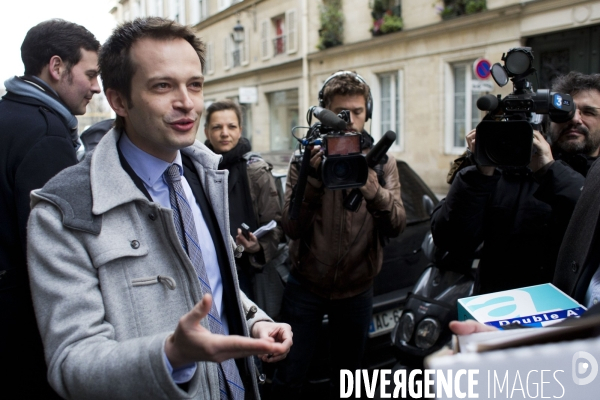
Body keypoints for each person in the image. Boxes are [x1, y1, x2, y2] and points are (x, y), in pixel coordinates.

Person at [26, 17, 292, 399]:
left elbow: (209, 282)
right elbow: (71, 364)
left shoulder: (206, 175)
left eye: (195, 85)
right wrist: (171, 356)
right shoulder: (64, 211)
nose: (186, 102)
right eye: (163, 86)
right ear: (119, 100)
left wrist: (255, 321)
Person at [272, 71, 406, 398]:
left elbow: (397, 224)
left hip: (357, 290)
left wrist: (373, 189)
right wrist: (314, 181)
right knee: (290, 375)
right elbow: (290, 227)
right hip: (306, 287)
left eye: (357, 113)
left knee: (349, 381)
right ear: (325, 114)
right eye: (340, 113)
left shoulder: (382, 162)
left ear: (368, 113)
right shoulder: (305, 158)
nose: (349, 121)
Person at [0, 19, 100, 398]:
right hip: (22, 330)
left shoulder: (10, 116)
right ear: (57, 67)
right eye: (90, 74)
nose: (95, 86)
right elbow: (56, 252)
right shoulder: (46, 134)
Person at [431, 72, 600, 295]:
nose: (575, 119)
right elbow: (450, 241)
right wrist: (481, 172)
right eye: (564, 111)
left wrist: (550, 171)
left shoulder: (581, 174)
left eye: (588, 112)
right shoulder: (505, 164)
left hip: (567, 317)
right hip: (499, 312)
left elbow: (591, 223)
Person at [204, 100, 283, 301]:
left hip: (250, 276)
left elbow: (276, 227)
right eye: (217, 127)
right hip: (210, 276)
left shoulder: (256, 171)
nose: (224, 133)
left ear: (240, 130)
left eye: (231, 126)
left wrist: (257, 247)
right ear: (206, 132)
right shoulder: (197, 171)